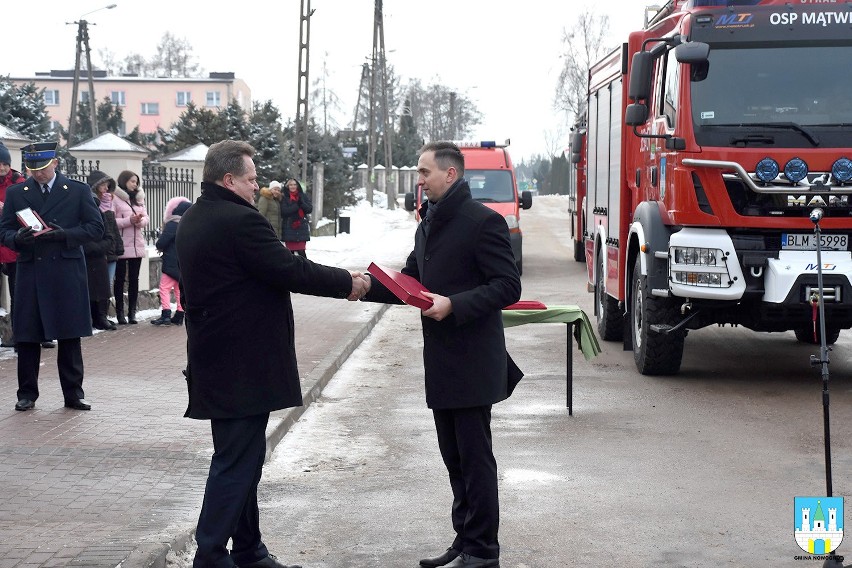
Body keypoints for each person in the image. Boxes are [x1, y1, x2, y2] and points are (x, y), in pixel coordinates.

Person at [176, 139, 369, 568]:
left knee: (243, 457)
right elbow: (289, 269)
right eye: (251, 179)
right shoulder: (238, 221)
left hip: (217, 357)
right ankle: (210, 554)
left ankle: (248, 549)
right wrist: (347, 282)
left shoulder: (195, 216)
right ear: (228, 180)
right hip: (242, 363)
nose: (257, 186)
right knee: (236, 460)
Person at [360, 141, 522, 568]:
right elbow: (411, 279)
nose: (419, 179)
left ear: (450, 174)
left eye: (424, 172)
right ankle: (464, 540)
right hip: (443, 360)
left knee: (474, 458)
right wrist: (363, 285)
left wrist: (454, 304)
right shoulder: (428, 222)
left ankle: (484, 551)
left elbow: (508, 286)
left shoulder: (483, 222)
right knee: (453, 457)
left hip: (473, 358)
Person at [0, 141, 104, 412]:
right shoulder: (16, 193)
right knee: (28, 335)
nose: (38, 174)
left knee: (69, 336)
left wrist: (66, 235)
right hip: (31, 270)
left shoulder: (78, 191)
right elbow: (4, 231)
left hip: (66, 271)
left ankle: (73, 394)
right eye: (32, 169)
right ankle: (26, 394)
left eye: (43, 168)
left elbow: (96, 227)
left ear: (55, 163)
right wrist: (17, 238)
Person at [84, 170, 119, 331]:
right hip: (88, 256)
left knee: (103, 288)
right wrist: (92, 248)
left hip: (100, 256)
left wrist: (102, 247)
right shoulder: (82, 215)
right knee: (90, 289)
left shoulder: (101, 212)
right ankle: (92, 317)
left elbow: (109, 234)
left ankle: (102, 317)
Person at [113, 169, 149, 324]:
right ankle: (120, 313)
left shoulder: (139, 199)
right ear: (124, 181)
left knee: (134, 279)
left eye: (136, 182)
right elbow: (111, 221)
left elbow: (146, 217)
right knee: (120, 279)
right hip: (122, 245)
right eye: (132, 181)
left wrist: (140, 221)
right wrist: (129, 220)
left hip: (136, 244)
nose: (135, 184)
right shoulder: (115, 199)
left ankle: (132, 312)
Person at [0, 142, 26, 348]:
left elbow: (27, 214)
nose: (1, 167)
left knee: (19, 295)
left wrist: (5, 209)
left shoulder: (19, 183)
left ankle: (21, 336)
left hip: (13, 248)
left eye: (4, 163)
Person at [151, 196, 190, 326]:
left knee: (164, 288)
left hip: (171, 260)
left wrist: (159, 246)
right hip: (182, 261)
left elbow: (163, 240)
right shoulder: (187, 224)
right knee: (178, 288)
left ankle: (166, 314)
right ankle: (179, 314)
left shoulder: (173, 223)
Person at [280, 178, 312, 258]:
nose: (293, 186)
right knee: (290, 254)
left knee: (302, 252)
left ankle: (305, 269)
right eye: (291, 185)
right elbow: (284, 212)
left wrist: (302, 204)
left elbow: (309, 209)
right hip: (289, 228)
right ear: (288, 186)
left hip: (301, 227)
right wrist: (297, 205)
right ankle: (292, 270)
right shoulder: (284, 197)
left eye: (294, 184)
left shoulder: (303, 196)